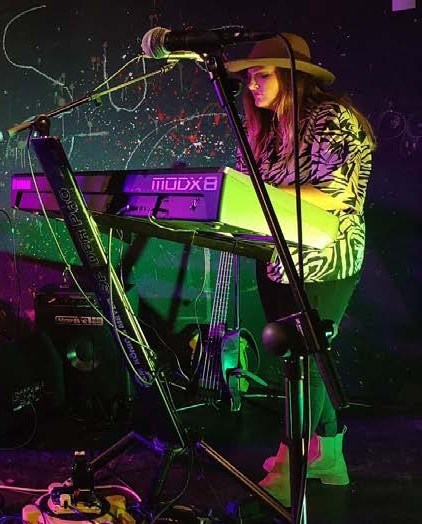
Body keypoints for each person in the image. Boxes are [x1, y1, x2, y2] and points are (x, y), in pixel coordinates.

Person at [226, 34, 375, 506]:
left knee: (305, 358)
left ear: (291, 77)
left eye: (261, 74)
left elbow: (336, 194)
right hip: (277, 258)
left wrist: (256, 196)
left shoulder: (331, 119)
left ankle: (291, 464)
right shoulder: (264, 126)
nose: (251, 84)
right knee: (304, 356)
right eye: (249, 76)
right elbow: (246, 189)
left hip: (326, 257)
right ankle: (328, 455)